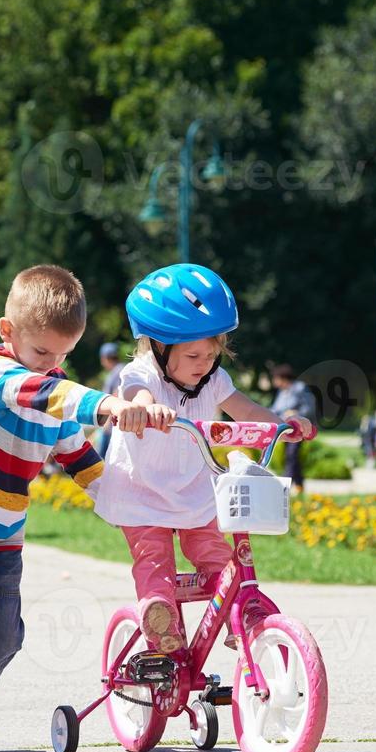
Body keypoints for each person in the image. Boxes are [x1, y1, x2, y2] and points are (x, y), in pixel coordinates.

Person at [0, 265, 165, 752]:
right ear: (8, 333)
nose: (53, 365)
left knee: (5, 638)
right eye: (43, 352)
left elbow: (79, 457)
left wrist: (125, 505)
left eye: (64, 355)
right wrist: (112, 405)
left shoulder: (53, 385)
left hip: (2, 535)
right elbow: (50, 396)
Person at [94, 264, 313, 653]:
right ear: (158, 348)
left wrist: (282, 424)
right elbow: (137, 395)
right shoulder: (141, 373)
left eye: (212, 354)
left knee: (216, 555)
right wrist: (146, 410)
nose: (204, 364)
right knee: (154, 560)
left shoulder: (213, 380)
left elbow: (245, 410)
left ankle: (239, 613)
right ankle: (159, 617)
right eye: (193, 354)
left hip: (193, 489)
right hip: (141, 491)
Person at [270, 363, 317, 494]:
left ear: (282, 377)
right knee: (290, 456)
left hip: (299, 429)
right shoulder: (282, 392)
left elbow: (309, 408)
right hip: (284, 429)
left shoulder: (300, 388)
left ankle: (285, 487)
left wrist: (294, 413)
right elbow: (274, 409)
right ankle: (300, 485)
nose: (274, 381)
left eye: (275, 378)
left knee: (292, 455)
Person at [95, 341, 124, 456]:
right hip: (111, 422)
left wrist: (106, 421)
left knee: (103, 456)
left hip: (112, 422)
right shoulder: (117, 370)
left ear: (105, 358)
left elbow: (117, 395)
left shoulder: (118, 371)